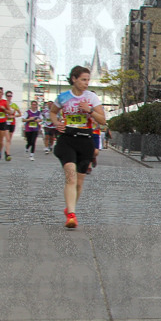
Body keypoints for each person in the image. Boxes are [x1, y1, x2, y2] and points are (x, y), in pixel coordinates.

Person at [50, 66, 106, 229]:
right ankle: (71, 215)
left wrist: (90, 111)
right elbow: (53, 112)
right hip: (67, 139)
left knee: (79, 183)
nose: (86, 83)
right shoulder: (63, 97)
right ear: (74, 79)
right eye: (83, 79)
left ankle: (70, 208)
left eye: (88, 80)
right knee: (71, 177)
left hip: (85, 141)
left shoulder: (92, 98)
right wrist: (56, 123)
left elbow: (102, 120)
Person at [3, 90, 21, 161]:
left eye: (10, 96)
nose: (9, 97)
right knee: (7, 139)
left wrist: (13, 116)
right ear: (6, 96)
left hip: (12, 123)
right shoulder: (4, 104)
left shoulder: (14, 105)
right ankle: (8, 154)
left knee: (9, 139)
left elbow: (20, 114)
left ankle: (6, 151)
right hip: (5, 123)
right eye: (8, 96)